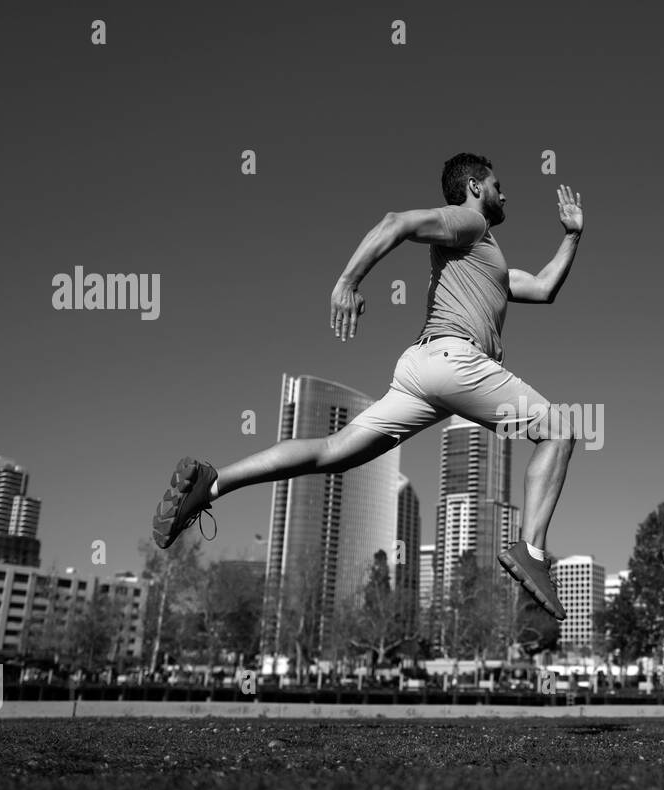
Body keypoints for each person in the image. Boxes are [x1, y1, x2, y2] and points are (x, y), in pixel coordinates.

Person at [151, 153, 584, 635]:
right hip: (454, 361)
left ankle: (212, 483)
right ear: (474, 188)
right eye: (498, 185)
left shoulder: (488, 261)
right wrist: (347, 282)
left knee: (335, 453)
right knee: (561, 430)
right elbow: (395, 222)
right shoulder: (470, 223)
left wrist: (571, 235)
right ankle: (532, 550)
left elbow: (544, 288)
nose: (505, 195)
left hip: (422, 371)